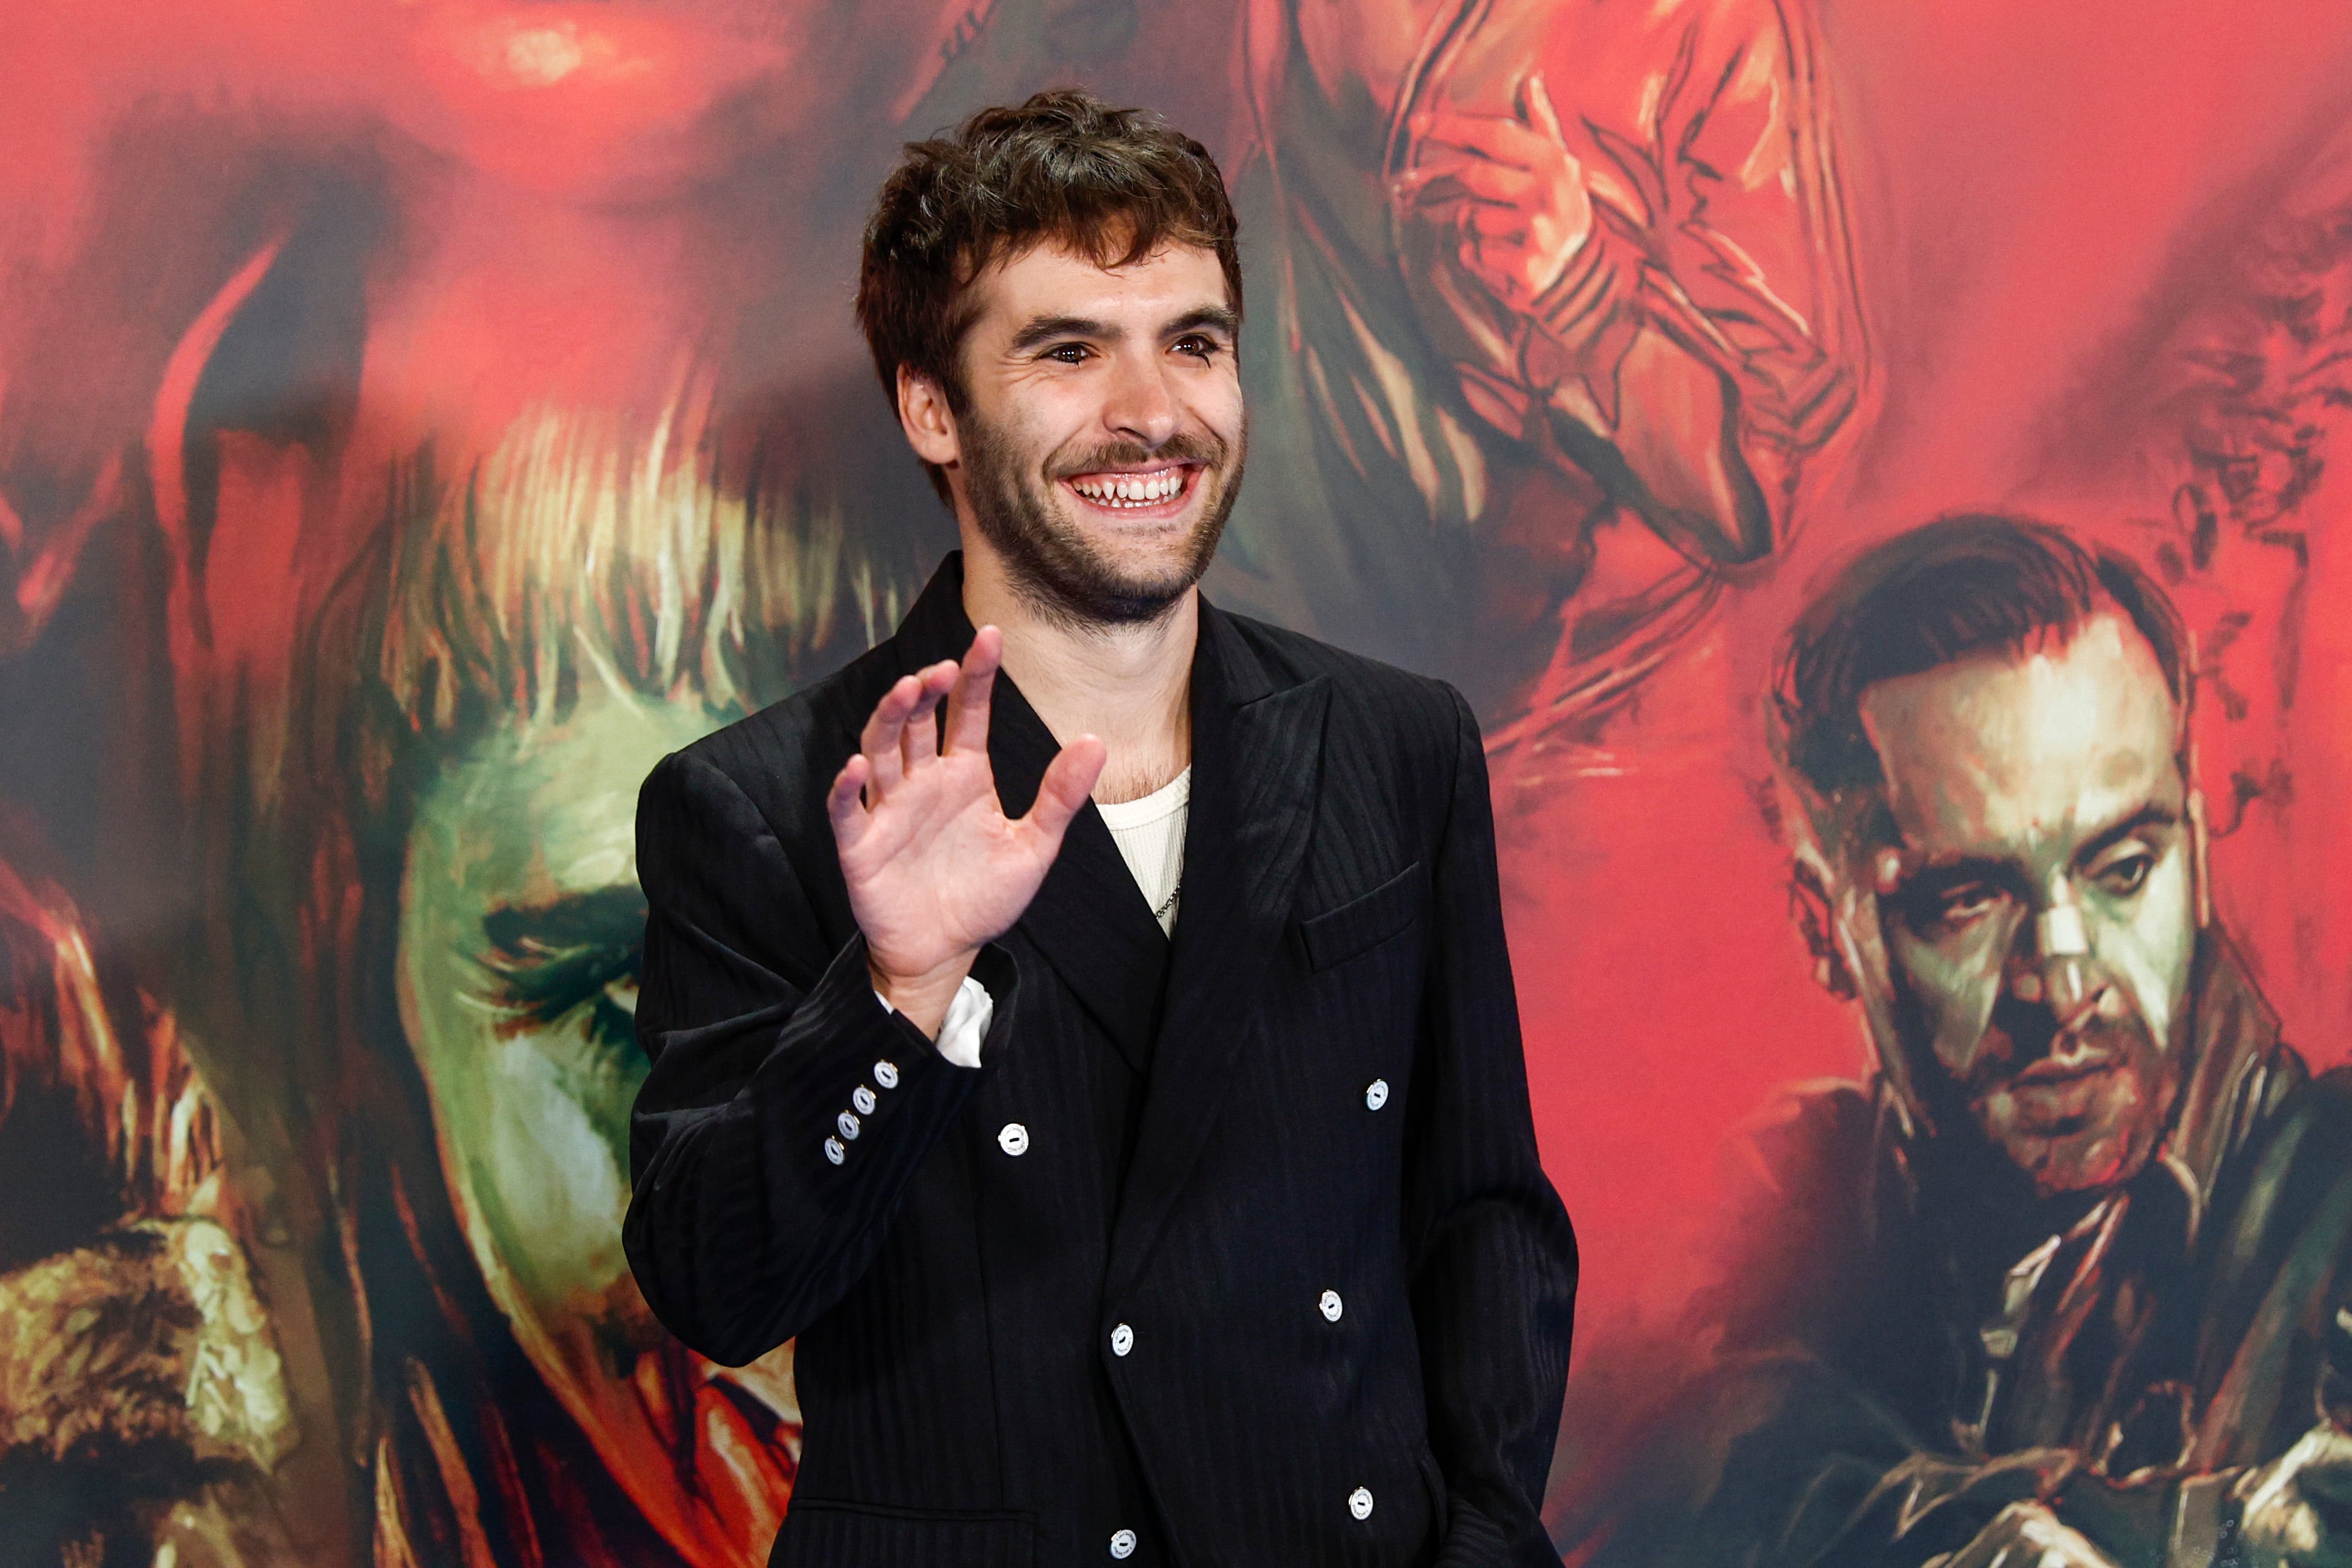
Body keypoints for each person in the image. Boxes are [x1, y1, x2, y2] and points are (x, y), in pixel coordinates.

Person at [624, 90, 1577, 1565]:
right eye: (1067, 351)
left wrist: (1485, 1542)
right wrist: (897, 994)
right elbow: (717, 1286)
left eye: (1191, 341)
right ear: (931, 408)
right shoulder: (757, 803)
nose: (1152, 410)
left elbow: (1485, 1219)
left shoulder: (1397, 745)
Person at [1571, 514, 2352, 1567]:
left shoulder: (2329, 1203)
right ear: (1825, 928)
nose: (2064, 982)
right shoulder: (1786, 1202)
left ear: (2195, 855)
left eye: (2121, 867)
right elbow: (1682, 1467)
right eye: (1965, 899)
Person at [1212, 0, 1865, 738]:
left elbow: (1765, 470)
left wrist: (1586, 296)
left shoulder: (1706, 24)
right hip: (1307, 688)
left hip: (1590, 721)